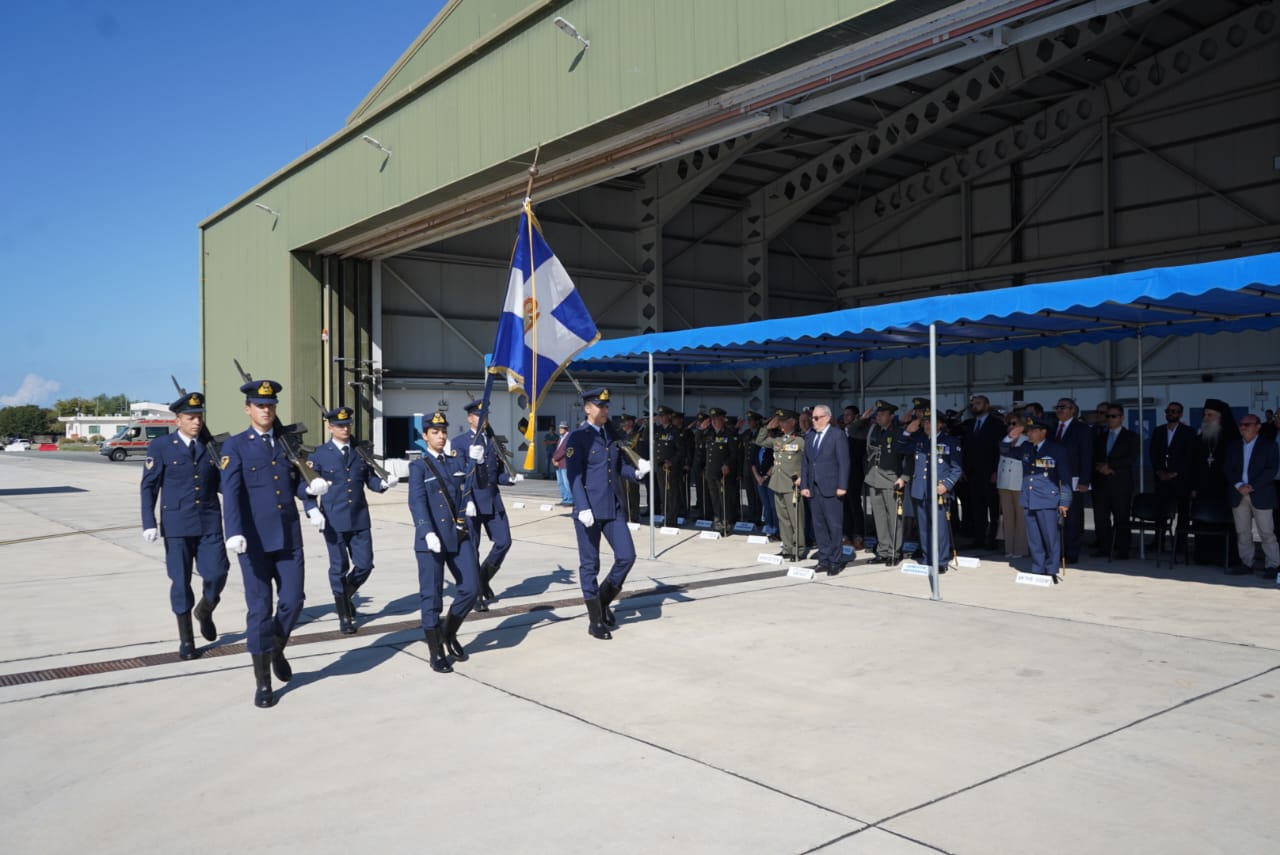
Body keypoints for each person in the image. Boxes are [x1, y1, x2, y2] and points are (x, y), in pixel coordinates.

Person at [220, 379, 330, 708]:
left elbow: (295, 485)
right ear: (248, 409)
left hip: (288, 536)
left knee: (294, 600)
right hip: (252, 541)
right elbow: (232, 493)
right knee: (259, 611)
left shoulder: (286, 444)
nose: (266, 410)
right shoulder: (236, 446)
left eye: (270, 405)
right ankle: (263, 683)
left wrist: (310, 495)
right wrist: (233, 531)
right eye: (259, 405)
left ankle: (276, 648)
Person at [140, 391, 229, 660]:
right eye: (191, 417)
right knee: (180, 582)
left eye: (199, 417)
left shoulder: (213, 447)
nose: (196, 422)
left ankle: (205, 609)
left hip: (209, 521)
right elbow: (149, 485)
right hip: (177, 524)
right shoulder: (161, 447)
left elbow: (225, 485)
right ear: (178, 420)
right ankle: (187, 639)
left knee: (217, 573)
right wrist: (149, 521)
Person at [565, 388, 650, 640]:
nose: (604, 410)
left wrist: (635, 473)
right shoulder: (578, 438)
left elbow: (617, 466)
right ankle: (595, 621)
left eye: (606, 406)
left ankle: (602, 603)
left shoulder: (610, 435)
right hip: (589, 510)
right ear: (587, 408)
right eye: (599, 406)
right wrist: (582, 507)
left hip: (612, 507)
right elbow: (574, 476)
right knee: (590, 565)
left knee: (627, 556)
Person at [303, 405, 397, 634]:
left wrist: (383, 484)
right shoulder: (319, 455)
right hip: (333, 520)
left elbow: (370, 481)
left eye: (347, 425)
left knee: (365, 564)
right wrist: (311, 509)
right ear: (330, 427)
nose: (345, 428)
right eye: (339, 425)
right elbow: (306, 487)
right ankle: (345, 616)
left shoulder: (360, 452)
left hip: (359, 519)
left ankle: (343, 595)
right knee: (339, 567)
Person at [409, 411, 481, 672]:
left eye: (443, 432)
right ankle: (436, 650)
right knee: (432, 596)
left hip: (458, 535)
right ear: (425, 436)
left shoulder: (456, 461)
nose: (440, 436)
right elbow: (416, 502)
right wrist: (426, 531)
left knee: (472, 588)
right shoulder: (418, 466)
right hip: (431, 540)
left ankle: (449, 632)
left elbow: (471, 485)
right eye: (435, 432)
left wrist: (478, 464)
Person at [454, 399, 523, 612]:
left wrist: (509, 479)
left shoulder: (493, 441)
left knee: (504, 542)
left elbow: (497, 474)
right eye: (479, 415)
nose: (484, 419)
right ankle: (475, 594)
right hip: (471, 502)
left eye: (486, 415)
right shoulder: (460, 442)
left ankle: (483, 579)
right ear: (470, 418)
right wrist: (467, 500)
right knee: (471, 549)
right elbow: (457, 476)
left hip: (492, 500)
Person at [1003, 415, 1072, 581]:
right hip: (1029, 498)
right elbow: (1004, 450)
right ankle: (1038, 567)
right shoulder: (1026, 447)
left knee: (1050, 537)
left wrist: (1065, 501)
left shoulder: (1056, 450)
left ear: (1043, 432)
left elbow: (1065, 479)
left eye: (1033, 431)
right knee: (1034, 537)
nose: (1030, 434)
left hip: (1047, 499)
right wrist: (1011, 435)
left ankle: (1051, 569)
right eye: (1028, 431)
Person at [900, 402, 962, 571]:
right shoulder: (919, 440)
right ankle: (928, 559)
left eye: (930, 422)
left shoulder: (949, 441)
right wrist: (907, 431)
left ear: (939, 423)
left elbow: (957, 469)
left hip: (938, 491)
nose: (927, 425)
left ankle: (941, 561)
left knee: (940, 528)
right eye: (925, 422)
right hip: (921, 489)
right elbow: (900, 448)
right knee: (924, 527)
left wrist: (947, 485)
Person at [1222, 414, 1279, 579]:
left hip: (1261, 493)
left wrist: (1252, 486)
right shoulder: (1233, 446)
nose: (1244, 427)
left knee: (1267, 532)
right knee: (1243, 532)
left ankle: (1273, 565)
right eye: (1242, 424)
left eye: (1248, 424)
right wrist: (1239, 485)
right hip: (1238, 493)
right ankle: (1246, 563)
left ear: (1258, 427)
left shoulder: (1269, 445)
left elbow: (1271, 469)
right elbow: (1227, 468)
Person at [854, 400, 905, 565]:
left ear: (891, 416)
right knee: (879, 518)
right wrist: (862, 419)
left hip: (891, 479)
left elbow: (907, 457)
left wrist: (903, 477)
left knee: (893, 518)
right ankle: (883, 550)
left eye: (883, 414)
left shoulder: (897, 432)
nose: (879, 416)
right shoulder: (872, 430)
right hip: (874, 479)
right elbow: (852, 431)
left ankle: (894, 552)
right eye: (878, 414)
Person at [801, 404, 849, 574]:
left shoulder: (837, 435)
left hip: (832, 487)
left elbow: (844, 463)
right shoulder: (810, 436)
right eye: (812, 418)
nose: (812, 421)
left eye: (816, 418)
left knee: (834, 526)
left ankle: (835, 561)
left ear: (827, 418)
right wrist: (804, 485)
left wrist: (842, 485)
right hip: (814, 488)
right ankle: (824, 559)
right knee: (819, 525)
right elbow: (806, 462)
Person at [1191, 398, 1240, 565]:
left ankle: (1225, 557)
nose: (1206, 418)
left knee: (1224, 524)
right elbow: (1194, 464)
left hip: (1224, 488)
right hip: (1203, 489)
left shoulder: (1233, 440)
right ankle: (1203, 556)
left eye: (1210, 415)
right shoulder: (1200, 439)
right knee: (1202, 522)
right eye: (1205, 415)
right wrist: (1194, 486)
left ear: (1221, 417)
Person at [757, 409, 806, 561]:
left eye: (784, 421)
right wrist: (767, 427)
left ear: (793, 422)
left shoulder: (800, 440)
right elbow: (759, 441)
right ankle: (787, 547)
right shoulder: (778, 440)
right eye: (780, 421)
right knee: (783, 519)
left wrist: (803, 478)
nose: (781, 424)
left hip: (792, 485)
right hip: (777, 483)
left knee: (796, 519)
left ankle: (798, 549)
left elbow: (809, 462)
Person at [1091, 404, 1139, 559]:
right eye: (1108, 416)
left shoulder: (1131, 436)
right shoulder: (1101, 436)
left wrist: (1111, 466)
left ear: (1121, 418)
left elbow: (1131, 458)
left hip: (1120, 483)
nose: (1110, 419)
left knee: (1121, 517)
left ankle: (1123, 549)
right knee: (1101, 517)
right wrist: (1101, 467)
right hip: (1101, 482)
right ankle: (1104, 547)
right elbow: (1095, 456)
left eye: (1113, 416)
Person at [1051, 398, 1094, 563]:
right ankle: (1058, 550)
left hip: (1074, 479)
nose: (1059, 410)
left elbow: (1086, 455)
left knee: (1073, 517)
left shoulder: (1082, 429)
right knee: (1056, 517)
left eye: (1063, 407)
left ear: (1073, 410)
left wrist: (1085, 480)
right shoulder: (1053, 428)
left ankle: (1071, 552)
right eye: (1058, 407)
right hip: (1055, 479)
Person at [1149, 401, 1195, 552]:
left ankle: (1180, 544)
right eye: (1168, 411)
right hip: (1162, 479)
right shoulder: (1158, 431)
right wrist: (1159, 471)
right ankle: (1159, 541)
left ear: (1180, 414)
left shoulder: (1188, 432)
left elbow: (1190, 455)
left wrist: (1176, 472)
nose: (1171, 414)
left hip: (1180, 479)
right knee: (1160, 511)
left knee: (1183, 513)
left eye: (1174, 411)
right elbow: (1153, 453)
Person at [961, 395, 1005, 550]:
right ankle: (979, 538)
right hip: (973, 474)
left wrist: (996, 471)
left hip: (990, 473)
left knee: (993, 508)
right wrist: (964, 469)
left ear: (987, 405)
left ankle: (992, 540)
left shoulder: (997, 424)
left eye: (978, 403)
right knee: (977, 508)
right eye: (972, 404)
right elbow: (965, 449)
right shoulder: (969, 424)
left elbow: (999, 450)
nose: (974, 406)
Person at [996, 410, 1029, 559]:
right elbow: (1002, 450)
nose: (1010, 426)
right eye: (1008, 423)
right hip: (1004, 482)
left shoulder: (1026, 440)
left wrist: (1009, 441)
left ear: (1022, 426)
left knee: (1021, 518)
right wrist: (1008, 439)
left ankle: (1021, 549)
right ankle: (1009, 548)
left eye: (1014, 423)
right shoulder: (1006, 439)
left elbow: (1014, 454)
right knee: (1007, 517)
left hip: (1019, 482)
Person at [702, 408, 740, 536]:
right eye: (712, 420)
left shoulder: (729, 434)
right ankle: (717, 521)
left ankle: (726, 523)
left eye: (716, 419)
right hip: (711, 472)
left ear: (722, 420)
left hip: (722, 473)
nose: (714, 422)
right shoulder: (709, 434)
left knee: (725, 498)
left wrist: (727, 464)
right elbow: (697, 441)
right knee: (715, 498)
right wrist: (702, 429)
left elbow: (734, 454)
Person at [617, 412, 645, 523]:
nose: (623, 425)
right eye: (623, 422)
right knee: (623, 493)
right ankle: (625, 515)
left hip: (632, 467)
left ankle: (634, 516)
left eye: (626, 422)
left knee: (632, 493)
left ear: (631, 423)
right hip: (622, 467)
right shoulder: (621, 435)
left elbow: (637, 452)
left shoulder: (636, 435)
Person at [551, 422, 573, 505]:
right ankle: (564, 499)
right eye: (560, 427)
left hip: (564, 463)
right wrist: (554, 459)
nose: (560, 429)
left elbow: (564, 450)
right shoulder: (561, 438)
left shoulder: (568, 437)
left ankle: (570, 500)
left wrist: (555, 458)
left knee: (566, 482)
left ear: (566, 428)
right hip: (558, 463)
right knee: (560, 482)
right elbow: (557, 450)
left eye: (562, 428)